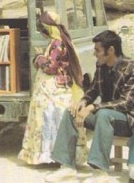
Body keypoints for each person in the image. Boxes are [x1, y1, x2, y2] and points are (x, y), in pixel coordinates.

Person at [44, 30, 134, 183]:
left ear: (111, 51)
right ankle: (66, 165)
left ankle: (99, 171)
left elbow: (126, 103)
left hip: (130, 119)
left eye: (97, 50)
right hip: (107, 116)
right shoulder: (101, 65)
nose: (95, 54)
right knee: (71, 112)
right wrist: (83, 101)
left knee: (103, 114)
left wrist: (94, 107)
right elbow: (94, 89)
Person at [18, 11, 85, 165]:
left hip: (53, 89)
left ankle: (54, 155)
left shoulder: (58, 43)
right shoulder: (60, 41)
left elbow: (51, 67)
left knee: (48, 117)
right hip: (55, 87)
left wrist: (38, 58)